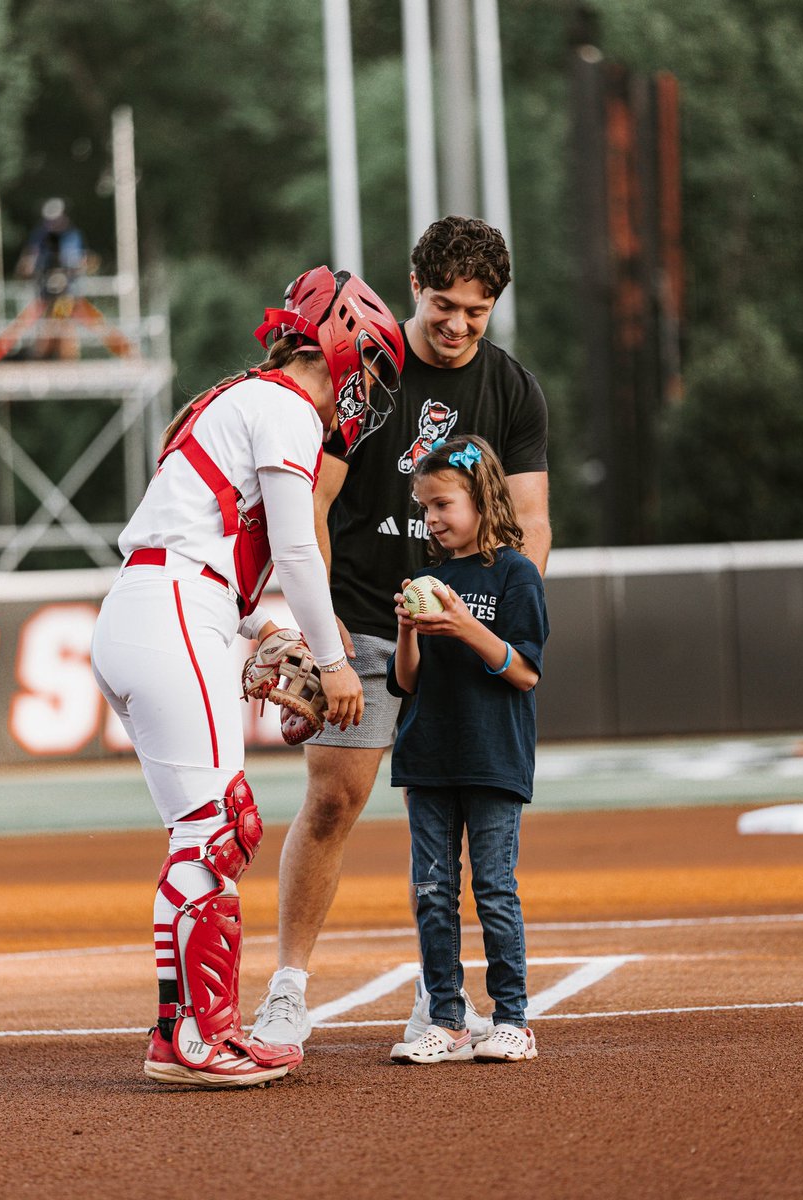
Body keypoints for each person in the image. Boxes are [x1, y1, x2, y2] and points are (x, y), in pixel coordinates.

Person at [90, 266, 405, 1089]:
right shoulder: (285, 408)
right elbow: (298, 549)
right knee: (218, 831)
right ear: (341, 343)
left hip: (151, 608)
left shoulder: (243, 400)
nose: (365, 388)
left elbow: (201, 543)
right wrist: (333, 660)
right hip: (172, 611)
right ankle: (204, 1038)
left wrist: (262, 627)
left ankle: (178, 1032)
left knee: (202, 833)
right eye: (369, 364)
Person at [252, 217, 551, 1051]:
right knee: (334, 800)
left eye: (477, 312)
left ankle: (440, 1000)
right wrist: (325, 636)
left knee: (458, 823)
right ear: (416, 286)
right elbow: (311, 503)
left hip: (464, 632)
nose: (458, 325)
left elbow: (530, 523)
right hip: (361, 618)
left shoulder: (515, 390)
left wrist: (492, 616)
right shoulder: (368, 375)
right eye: (444, 305)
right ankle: (287, 989)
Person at [385, 434, 549, 1063]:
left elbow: (525, 671)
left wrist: (463, 625)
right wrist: (407, 631)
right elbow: (406, 680)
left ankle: (513, 1019)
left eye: (442, 504)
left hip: (492, 755)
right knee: (432, 889)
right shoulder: (431, 577)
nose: (431, 519)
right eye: (425, 507)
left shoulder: (516, 573)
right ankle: (448, 1019)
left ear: (481, 499)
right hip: (427, 753)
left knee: (494, 889)